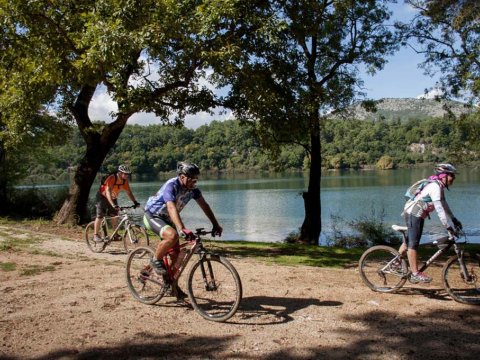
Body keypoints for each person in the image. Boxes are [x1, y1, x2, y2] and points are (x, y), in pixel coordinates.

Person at [143, 162, 223, 296]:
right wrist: (182, 228)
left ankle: (168, 284)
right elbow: (171, 207)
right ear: (181, 177)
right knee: (173, 236)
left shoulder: (193, 191)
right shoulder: (172, 185)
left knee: (176, 255)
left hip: (168, 219)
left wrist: (215, 224)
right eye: (191, 179)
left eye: (195, 179)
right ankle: (155, 260)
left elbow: (205, 206)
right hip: (152, 216)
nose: (193, 182)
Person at [398, 163, 462, 283]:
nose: (454, 178)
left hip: (417, 214)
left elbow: (444, 204)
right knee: (413, 243)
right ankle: (415, 273)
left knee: (409, 241)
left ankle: (396, 262)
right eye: (452, 176)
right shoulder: (435, 187)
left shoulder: (439, 186)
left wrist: (454, 219)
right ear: (444, 175)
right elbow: (439, 209)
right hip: (414, 213)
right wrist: (448, 227)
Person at [94, 164, 140, 242]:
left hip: (113, 198)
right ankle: (96, 235)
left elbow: (129, 192)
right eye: (125, 174)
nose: (126, 176)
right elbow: (108, 191)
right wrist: (113, 204)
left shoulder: (124, 181)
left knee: (114, 215)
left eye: (128, 174)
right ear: (120, 172)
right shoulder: (112, 178)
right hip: (102, 197)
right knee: (100, 216)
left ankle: (115, 234)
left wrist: (135, 202)